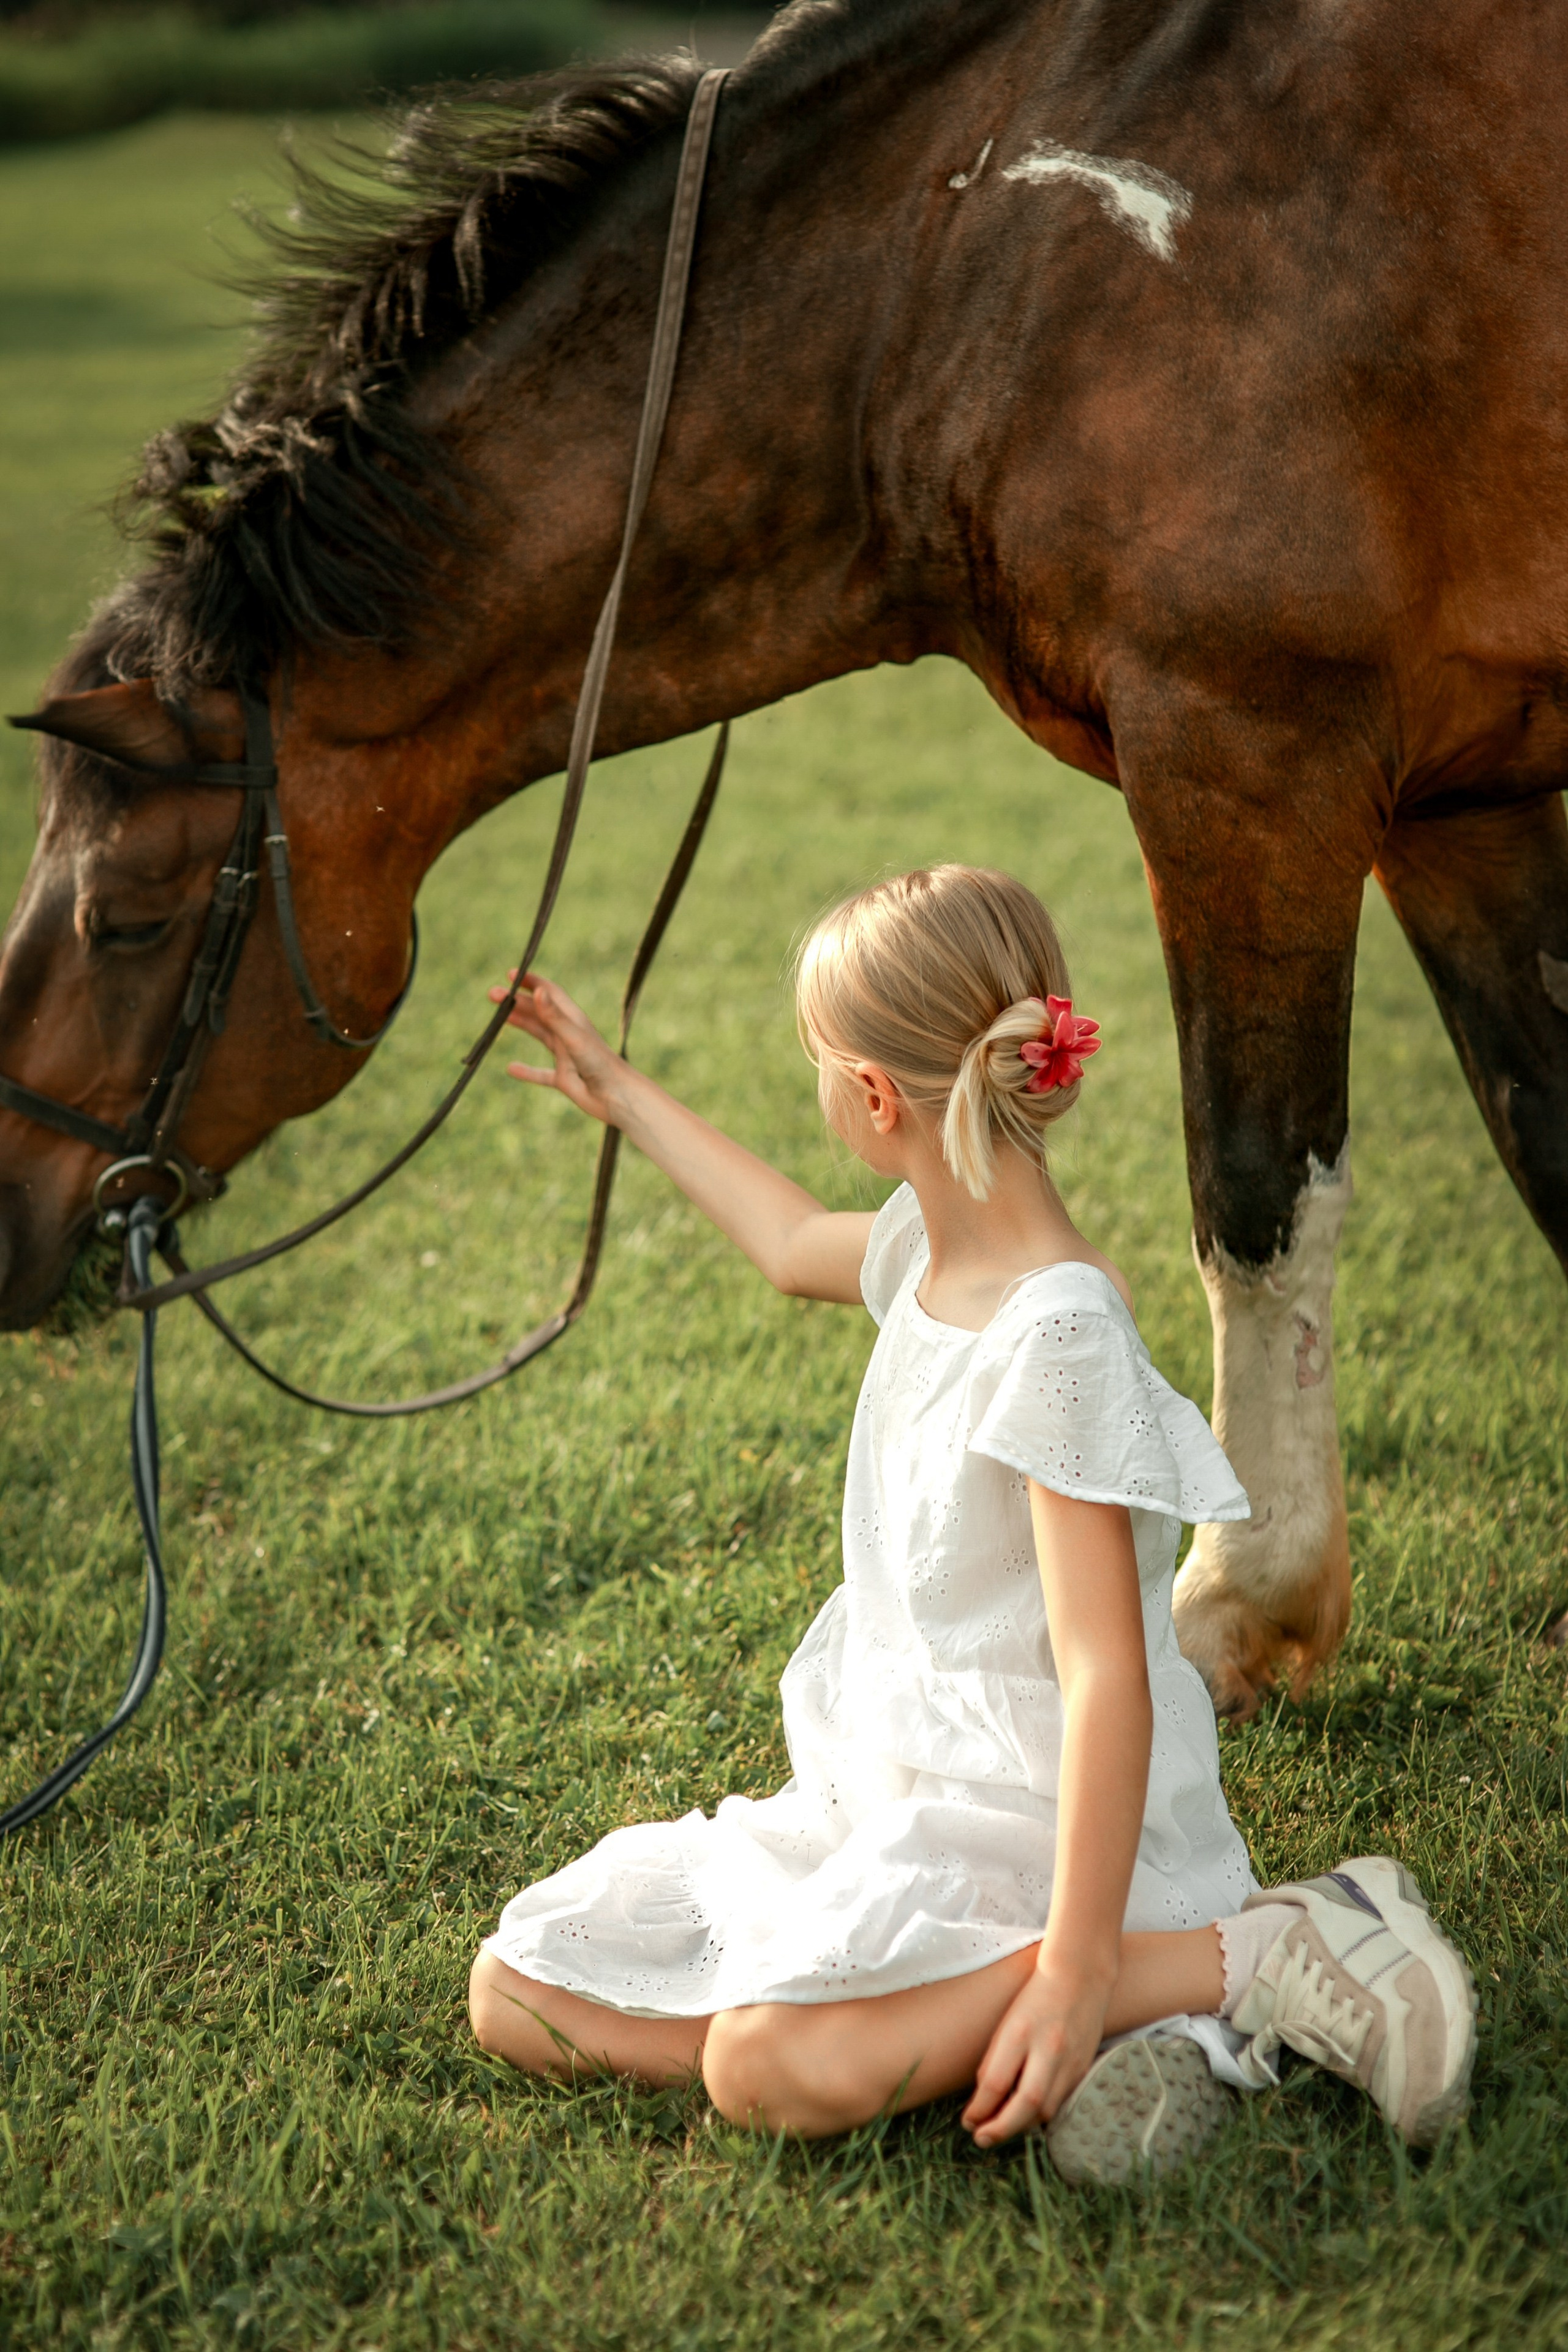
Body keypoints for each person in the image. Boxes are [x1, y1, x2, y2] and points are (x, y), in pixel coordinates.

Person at [468, 865, 1475, 2179]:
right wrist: (614, 1085)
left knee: (755, 2069)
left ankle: (1256, 1953)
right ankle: (1072, 2032)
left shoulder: (1054, 1333)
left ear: (874, 1100)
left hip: (1040, 1823)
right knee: (518, 1991)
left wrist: (1069, 1968)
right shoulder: (922, 1254)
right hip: (891, 1792)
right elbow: (783, 1241)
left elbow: (1107, 1672)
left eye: (820, 1068)